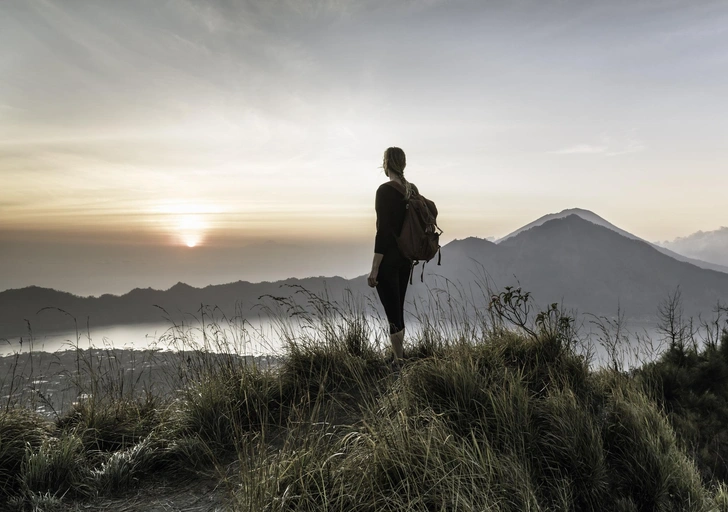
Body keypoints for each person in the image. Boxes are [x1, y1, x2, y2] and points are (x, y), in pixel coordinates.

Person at [367, 147, 413, 364]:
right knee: (398, 307)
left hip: (389, 260)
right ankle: (399, 356)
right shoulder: (411, 189)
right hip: (406, 258)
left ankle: (398, 360)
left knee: (392, 311)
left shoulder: (384, 191)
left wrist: (375, 267)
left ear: (386, 164)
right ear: (403, 163)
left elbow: (383, 231)